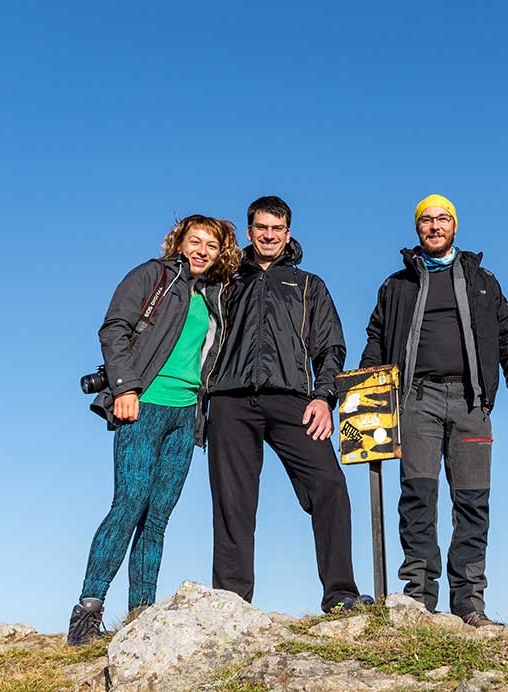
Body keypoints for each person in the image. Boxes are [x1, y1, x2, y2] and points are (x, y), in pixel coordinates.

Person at [67, 215, 242, 646]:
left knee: (158, 516)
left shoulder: (212, 295)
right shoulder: (153, 274)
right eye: (195, 241)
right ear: (179, 242)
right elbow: (114, 328)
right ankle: (87, 612)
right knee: (129, 503)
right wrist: (125, 388)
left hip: (186, 415)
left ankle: (140, 615)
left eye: (211, 246)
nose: (202, 251)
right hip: (143, 404)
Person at [360, 194, 508, 626]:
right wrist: (365, 391)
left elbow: (507, 331)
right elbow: (376, 338)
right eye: (426, 220)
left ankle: (469, 602)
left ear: (454, 225)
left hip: (472, 401)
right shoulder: (397, 284)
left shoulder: (482, 280)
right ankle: (418, 597)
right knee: (418, 496)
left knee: (472, 502)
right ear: (417, 228)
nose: (434, 226)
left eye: (442, 219)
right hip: (417, 399)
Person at [207, 195, 370, 612]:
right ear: (249, 232)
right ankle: (231, 603)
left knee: (330, 485)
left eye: (276, 229)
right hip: (229, 399)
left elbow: (330, 347)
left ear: (288, 233)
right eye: (261, 228)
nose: (269, 235)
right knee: (232, 502)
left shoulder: (308, 285)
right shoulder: (225, 281)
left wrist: (324, 397)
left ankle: (340, 593)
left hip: (293, 399)